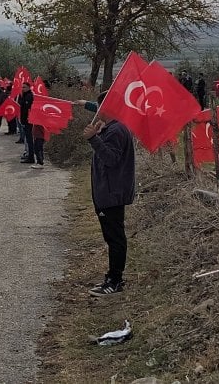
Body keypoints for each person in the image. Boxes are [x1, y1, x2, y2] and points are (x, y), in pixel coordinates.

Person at [83, 92, 136, 297]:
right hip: (106, 192)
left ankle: (115, 281)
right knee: (111, 236)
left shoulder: (117, 130)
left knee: (115, 238)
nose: (98, 110)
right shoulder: (111, 128)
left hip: (112, 193)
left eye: (100, 106)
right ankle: (112, 278)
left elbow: (111, 159)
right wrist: (98, 135)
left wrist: (93, 139)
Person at [19, 82, 35, 163]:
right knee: (28, 140)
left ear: (29, 87)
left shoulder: (29, 96)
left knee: (29, 140)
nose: (23, 89)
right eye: (22, 87)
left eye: (24, 87)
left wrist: (25, 120)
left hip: (28, 121)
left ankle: (31, 157)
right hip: (25, 121)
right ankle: (29, 155)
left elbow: (26, 110)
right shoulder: (24, 95)